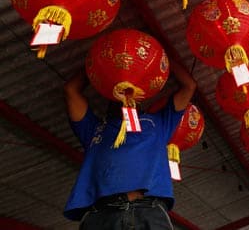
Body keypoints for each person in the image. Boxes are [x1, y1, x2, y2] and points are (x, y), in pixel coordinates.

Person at [63, 59, 196, 229]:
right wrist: (97, 63)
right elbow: (70, 90)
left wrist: (160, 59)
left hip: (149, 210)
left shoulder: (158, 123)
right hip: (103, 214)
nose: (124, 94)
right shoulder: (94, 129)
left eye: (130, 90)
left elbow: (189, 86)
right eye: (118, 92)